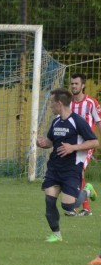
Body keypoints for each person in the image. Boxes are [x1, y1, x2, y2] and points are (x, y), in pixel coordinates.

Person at [36, 88, 98, 242]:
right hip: (54, 168)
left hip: (71, 169)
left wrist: (73, 148)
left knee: (68, 207)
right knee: (49, 201)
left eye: (51, 102)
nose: (50, 105)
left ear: (59, 103)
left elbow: (95, 142)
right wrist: (43, 143)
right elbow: (51, 141)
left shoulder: (77, 121)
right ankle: (56, 234)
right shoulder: (56, 121)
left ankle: (87, 191)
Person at [69, 73, 101, 216]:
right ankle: (87, 197)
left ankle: (77, 207)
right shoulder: (67, 103)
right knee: (72, 173)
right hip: (72, 144)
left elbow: (99, 122)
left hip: (87, 143)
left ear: (82, 86)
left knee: (78, 171)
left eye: (76, 83)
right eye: (72, 83)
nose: (74, 86)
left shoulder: (91, 102)